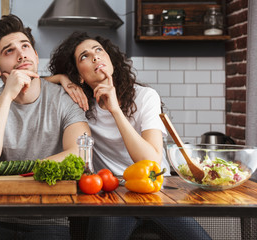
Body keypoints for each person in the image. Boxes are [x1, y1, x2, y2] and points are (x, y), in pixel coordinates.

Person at [48, 31, 212, 240]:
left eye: (99, 50)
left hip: (156, 193)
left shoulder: (145, 97)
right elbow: (32, 84)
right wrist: (62, 78)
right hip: (112, 194)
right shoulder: (78, 105)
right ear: (79, 74)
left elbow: (151, 161)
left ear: (110, 59)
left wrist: (115, 110)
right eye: (84, 56)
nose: (95, 56)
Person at [0, 16, 90, 240]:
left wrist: (25, 173)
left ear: (36, 56)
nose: (21, 54)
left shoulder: (65, 99)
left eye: (25, 46)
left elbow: (79, 153)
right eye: (9, 51)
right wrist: (7, 96)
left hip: (50, 218)